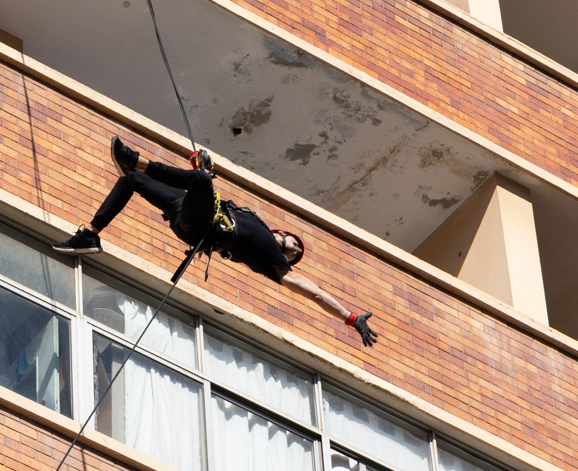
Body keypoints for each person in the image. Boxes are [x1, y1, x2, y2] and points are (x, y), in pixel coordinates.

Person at [53, 137, 379, 347]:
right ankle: (89, 235)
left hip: (201, 227)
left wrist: (350, 318)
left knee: (199, 180)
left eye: (296, 255)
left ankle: (135, 158)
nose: (295, 250)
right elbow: (209, 195)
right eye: (295, 243)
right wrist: (202, 166)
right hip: (190, 210)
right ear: (282, 232)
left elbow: (317, 294)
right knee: (134, 181)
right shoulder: (255, 219)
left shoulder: (275, 265)